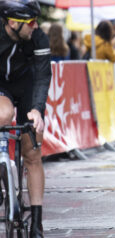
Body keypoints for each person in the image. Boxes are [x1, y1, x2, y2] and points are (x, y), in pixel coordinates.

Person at [0, 0, 52, 237]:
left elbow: (42, 76)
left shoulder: (38, 38)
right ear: (13, 23)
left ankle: (37, 223)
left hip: (28, 86)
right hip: (2, 88)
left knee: (32, 148)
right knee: (3, 114)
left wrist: (37, 110)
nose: (35, 25)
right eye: (30, 21)